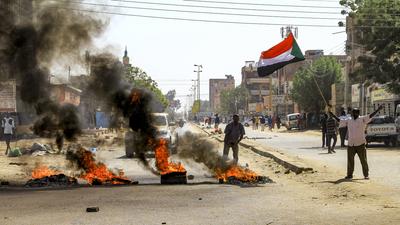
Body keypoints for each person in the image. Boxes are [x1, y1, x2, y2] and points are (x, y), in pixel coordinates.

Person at [330, 105, 383, 180]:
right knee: (350, 160)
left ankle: (366, 174)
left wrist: (378, 110)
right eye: (353, 112)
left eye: (355, 112)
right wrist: (332, 115)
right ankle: (349, 174)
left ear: (358, 113)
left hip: (361, 143)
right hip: (351, 143)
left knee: (363, 160)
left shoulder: (362, 119)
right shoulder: (349, 120)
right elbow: (339, 121)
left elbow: (370, 116)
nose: (353, 114)